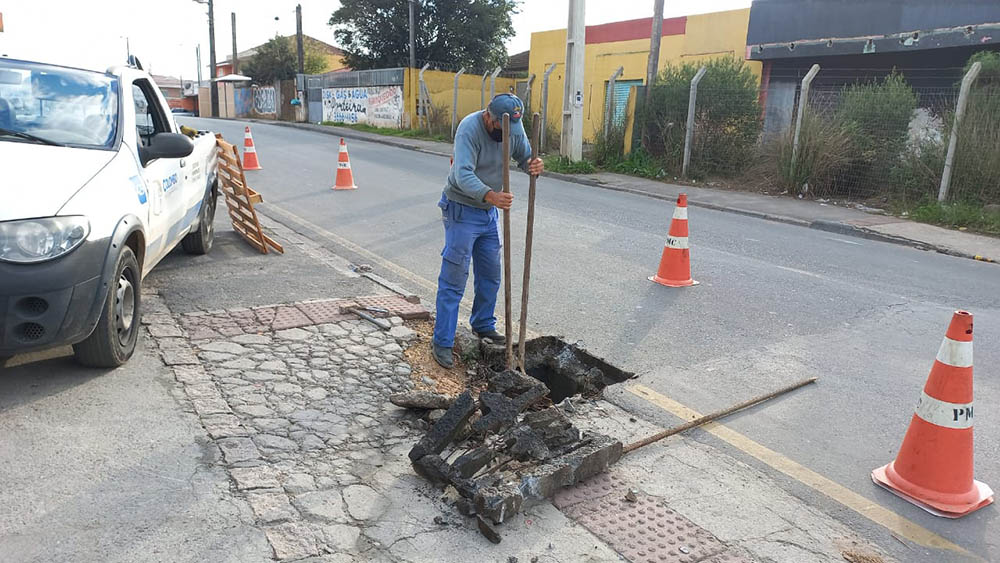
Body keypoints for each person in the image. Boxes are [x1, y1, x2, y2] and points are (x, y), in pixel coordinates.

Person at [431, 93, 544, 368]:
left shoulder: (513, 128)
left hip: (488, 212)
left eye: (512, 130)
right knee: (455, 276)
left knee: (491, 274)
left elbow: (526, 156)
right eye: (501, 128)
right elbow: (462, 174)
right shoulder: (469, 129)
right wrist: (492, 196)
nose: (507, 135)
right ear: (488, 118)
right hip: (462, 207)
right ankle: (442, 342)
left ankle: (483, 325)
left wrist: (535, 166)